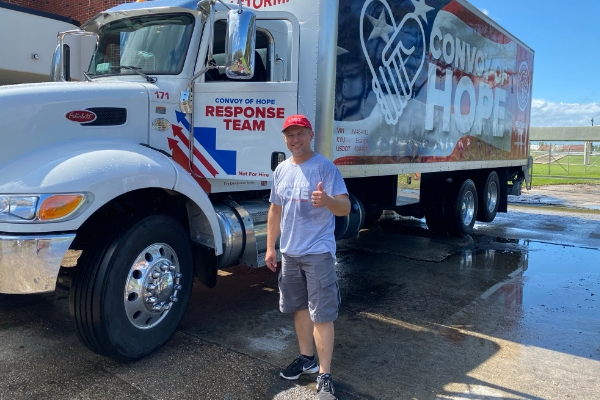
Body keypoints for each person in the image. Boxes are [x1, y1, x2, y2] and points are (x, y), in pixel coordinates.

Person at [265, 114, 351, 400]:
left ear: (310, 135)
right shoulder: (281, 170)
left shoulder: (325, 168)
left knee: (322, 314)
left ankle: (324, 375)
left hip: (317, 252)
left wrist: (326, 201)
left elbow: (345, 207)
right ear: (285, 138)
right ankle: (307, 359)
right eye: (290, 135)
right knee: (299, 308)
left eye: (300, 133)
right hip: (289, 252)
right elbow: (275, 211)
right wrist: (270, 247)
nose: (295, 139)